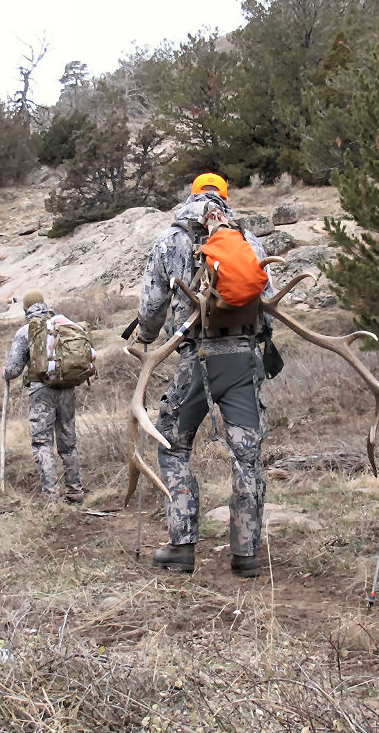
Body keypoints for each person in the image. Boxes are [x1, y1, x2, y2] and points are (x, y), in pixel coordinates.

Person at [135, 173, 273, 578]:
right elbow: (266, 297)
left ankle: (182, 545)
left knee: (172, 445)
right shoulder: (247, 240)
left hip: (196, 359)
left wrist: (145, 337)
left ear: (191, 194)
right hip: (243, 361)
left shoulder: (171, 239)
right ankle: (246, 554)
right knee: (247, 456)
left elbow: (150, 306)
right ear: (225, 198)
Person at [2, 289, 86, 503]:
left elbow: (13, 370)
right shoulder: (63, 324)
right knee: (69, 441)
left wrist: (4, 373)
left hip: (41, 392)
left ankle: (51, 496)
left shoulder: (26, 331)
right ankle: (75, 491)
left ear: (25, 309)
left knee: (42, 443)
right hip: (67, 388)